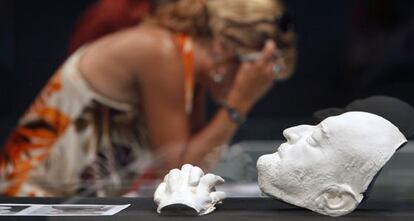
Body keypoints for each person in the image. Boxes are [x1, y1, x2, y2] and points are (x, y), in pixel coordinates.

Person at [0, 0, 296, 197]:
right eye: (257, 70)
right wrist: (240, 102)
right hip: (24, 201)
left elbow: (196, 165)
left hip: (66, 201)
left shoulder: (185, 66)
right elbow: (177, 172)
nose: (259, 81)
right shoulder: (161, 52)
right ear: (224, 47)